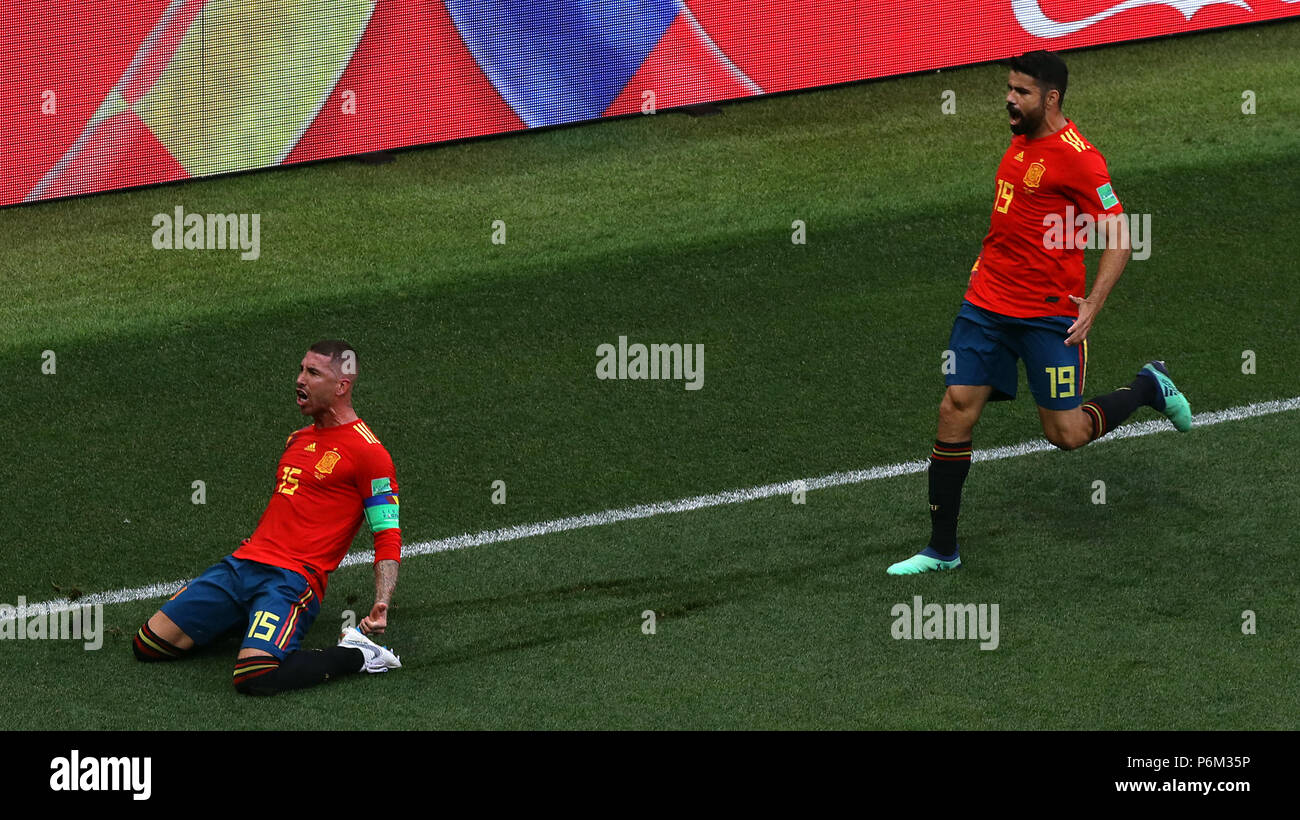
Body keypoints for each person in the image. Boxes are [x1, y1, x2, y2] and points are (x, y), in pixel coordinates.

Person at [887, 51, 1191, 575]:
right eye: (1008, 88)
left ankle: (1146, 387)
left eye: (1021, 92)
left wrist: (1093, 302)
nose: (1009, 98)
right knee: (954, 409)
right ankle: (942, 549)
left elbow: (1121, 237)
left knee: (1066, 434)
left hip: (1048, 315)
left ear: (1050, 98)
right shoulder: (1020, 138)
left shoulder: (1080, 158)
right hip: (985, 305)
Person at [132, 340, 404, 692]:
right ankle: (246, 616)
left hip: (291, 580)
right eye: (301, 369)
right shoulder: (297, 439)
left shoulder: (369, 453)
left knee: (254, 676)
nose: (300, 379)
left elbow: (386, 531)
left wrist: (382, 600)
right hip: (242, 565)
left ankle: (357, 654)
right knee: (150, 644)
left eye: (313, 373)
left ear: (341, 386)